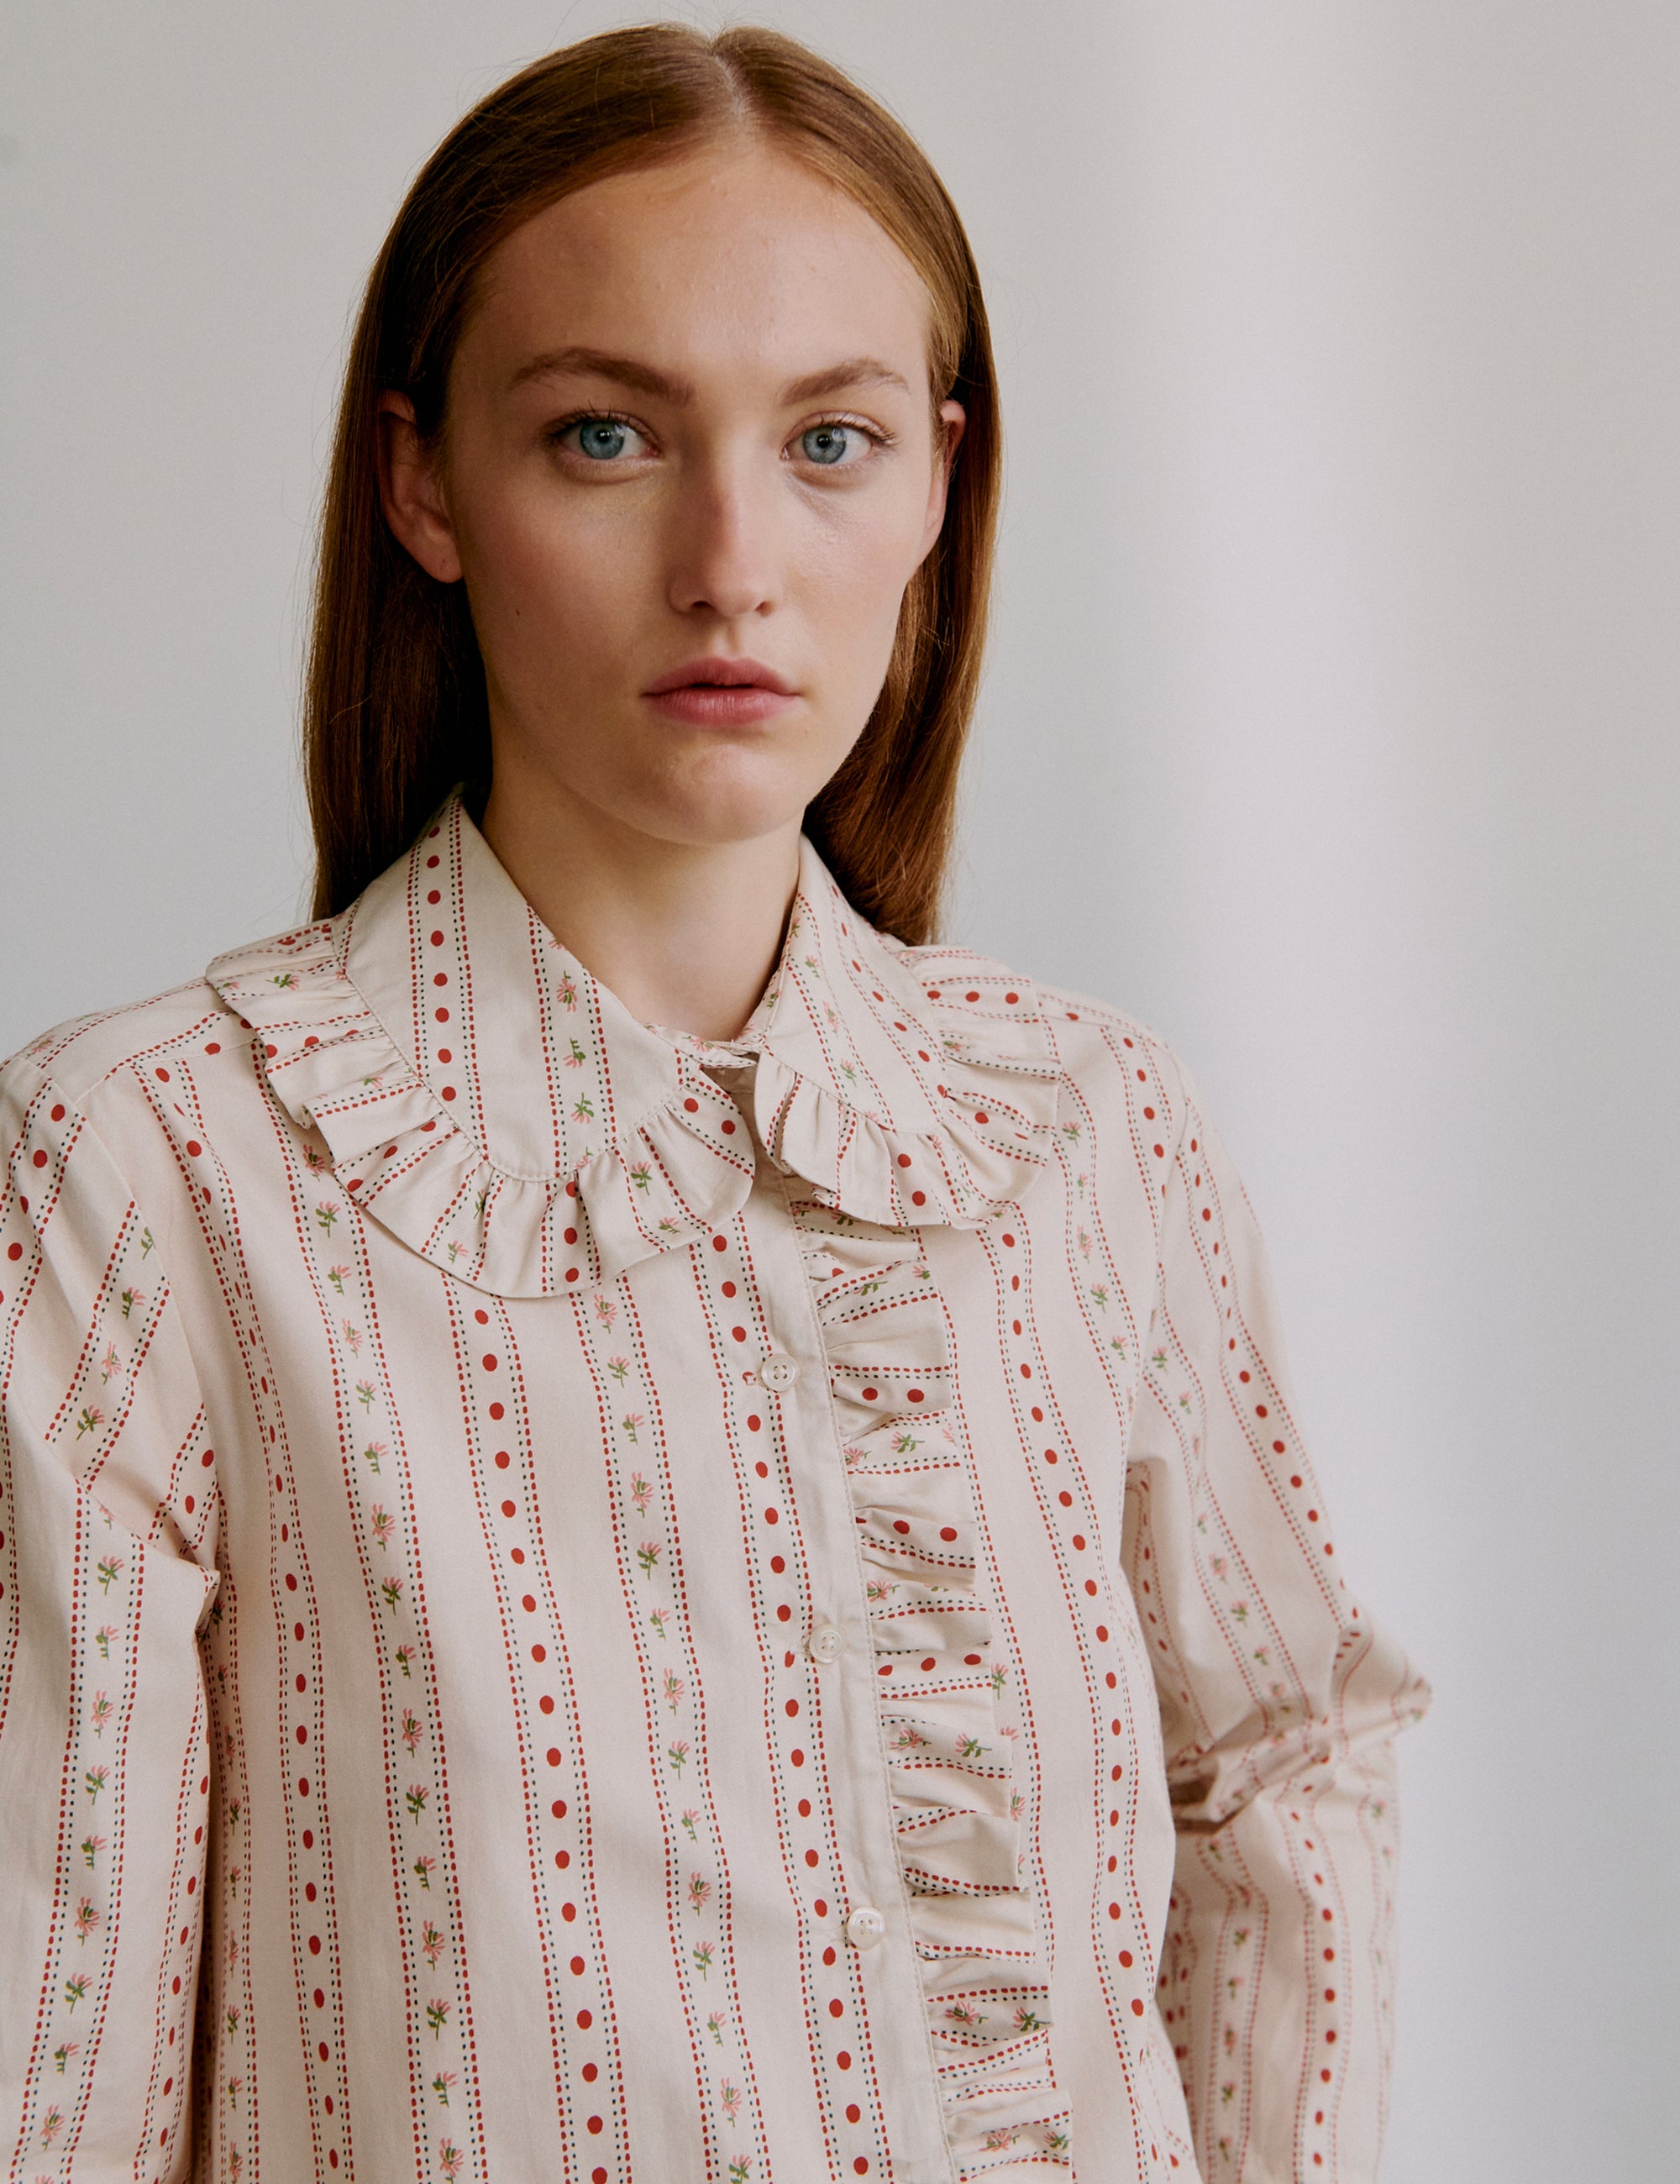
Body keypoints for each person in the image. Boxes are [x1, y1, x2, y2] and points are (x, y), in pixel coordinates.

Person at [0, 24, 1427, 2183]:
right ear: (423, 484)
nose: (730, 559)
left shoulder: (1093, 1130)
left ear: (941, 480)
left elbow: (1288, 1783)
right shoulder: (147, 1173)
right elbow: (50, 2051)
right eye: (603, 434)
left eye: (831, 440)